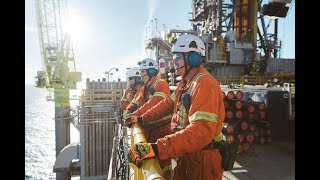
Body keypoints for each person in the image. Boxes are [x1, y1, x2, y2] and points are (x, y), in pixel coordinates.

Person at [126, 34, 226, 180]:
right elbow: (166, 105)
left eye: (177, 57)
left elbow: (201, 131)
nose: (173, 62)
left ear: (193, 58)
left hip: (203, 161)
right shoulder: (185, 84)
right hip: (187, 154)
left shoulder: (205, 84)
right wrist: (140, 118)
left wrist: (157, 148)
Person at [125, 58, 173, 179]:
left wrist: (136, 116)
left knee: (163, 164)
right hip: (149, 129)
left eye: (142, 72)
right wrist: (129, 110)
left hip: (161, 131)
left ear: (151, 71)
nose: (140, 75)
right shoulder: (145, 87)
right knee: (146, 162)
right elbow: (136, 101)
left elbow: (154, 104)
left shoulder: (161, 84)